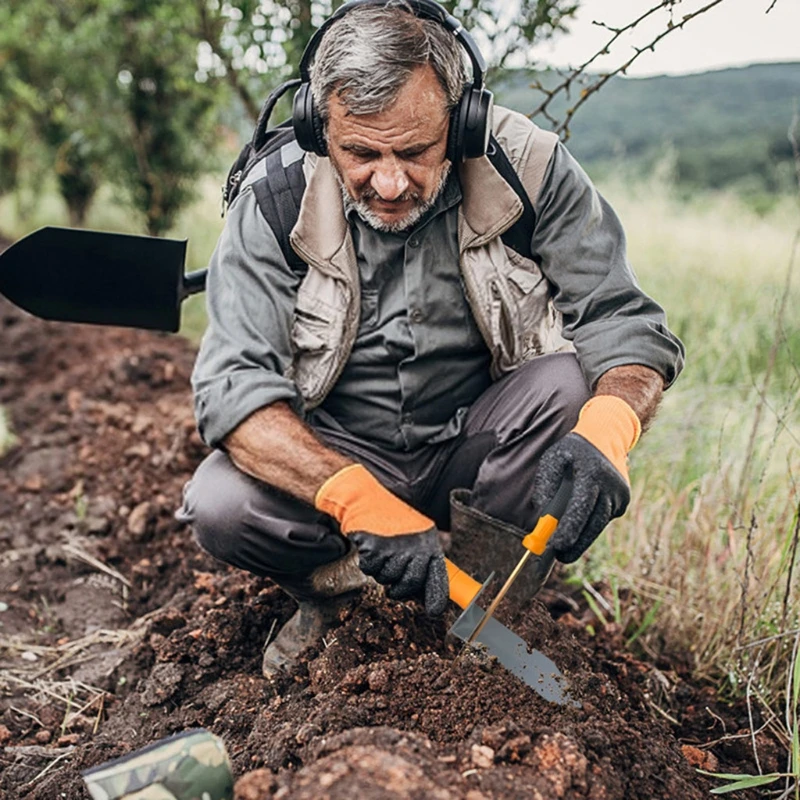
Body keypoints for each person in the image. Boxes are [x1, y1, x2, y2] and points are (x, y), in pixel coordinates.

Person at [177, 0, 684, 679]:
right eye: (359, 152)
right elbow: (234, 394)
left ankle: (483, 608)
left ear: (461, 121)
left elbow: (625, 322)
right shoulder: (271, 199)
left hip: (474, 444)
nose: (388, 183)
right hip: (338, 448)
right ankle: (338, 602)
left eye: (415, 151)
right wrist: (358, 500)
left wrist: (612, 428)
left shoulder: (528, 168)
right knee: (222, 503)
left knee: (570, 389)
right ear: (319, 126)